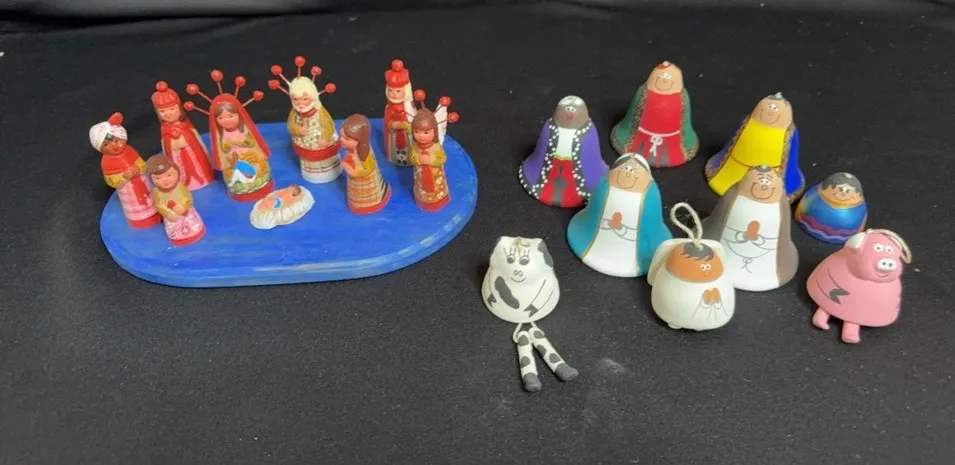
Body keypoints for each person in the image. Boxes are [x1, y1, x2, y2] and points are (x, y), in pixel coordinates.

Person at [90, 112, 161, 229]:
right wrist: (123, 177)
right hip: (128, 191)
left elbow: (143, 165)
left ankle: (157, 212)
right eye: (106, 144)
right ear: (100, 148)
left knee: (151, 199)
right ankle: (142, 221)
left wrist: (138, 169)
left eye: (117, 140)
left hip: (143, 184)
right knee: (137, 208)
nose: (114, 145)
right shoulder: (106, 162)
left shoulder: (130, 151)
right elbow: (110, 180)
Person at [146, 155, 206, 246]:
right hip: (172, 218)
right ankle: (179, 238)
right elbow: (159, 205)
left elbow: (188, 197)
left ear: (177, 173)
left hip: (186, 214)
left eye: (169, 175)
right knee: (175, 229)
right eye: (158, 178)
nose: (165, 180)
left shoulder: (180, 186)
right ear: (152, 180)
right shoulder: (156, 192)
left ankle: (195, 233)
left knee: (192, 225)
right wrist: (168, 213)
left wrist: (184, 206)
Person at [340, 114, 391, 215]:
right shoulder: (352, 150)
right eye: (342, 137)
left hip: (365, 183)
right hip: (355, 184)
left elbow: (368, 169)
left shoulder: (365, 154)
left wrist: (354, 172)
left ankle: (371, 203)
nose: (341, 140)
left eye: (347, 139)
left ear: (359, 139)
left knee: (364, 195)